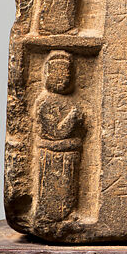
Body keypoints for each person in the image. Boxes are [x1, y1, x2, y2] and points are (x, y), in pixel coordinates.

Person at [35, 51, 87, 224]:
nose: (61, 78)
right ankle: (49, 217)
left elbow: (81, 130)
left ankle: (68, 214)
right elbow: (56, 132)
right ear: (47, 74)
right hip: (52, 154)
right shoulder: (45, 102)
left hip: (70, 154)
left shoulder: (71, 101)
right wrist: (73, 117)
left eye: (65, 74)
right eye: (56, 73)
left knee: (69, 188)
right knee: (52, 189)